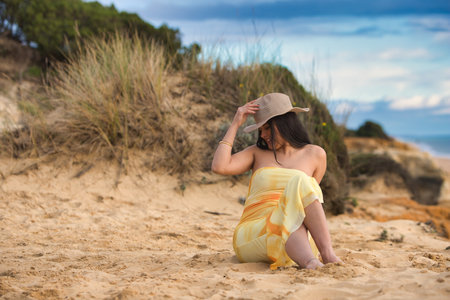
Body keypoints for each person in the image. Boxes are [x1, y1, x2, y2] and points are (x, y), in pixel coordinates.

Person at [211, 93, 341, 270]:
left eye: (267, 128)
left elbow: (307, 203)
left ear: (284, 124)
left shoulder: (316, 154)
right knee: (298, 188)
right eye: (260, 130)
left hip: (294, 239)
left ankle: (325, 256)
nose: (263, 135)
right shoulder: (256, 153)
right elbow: (220, 167)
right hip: (254, 234)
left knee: (300, 187)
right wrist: (235, 123)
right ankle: (314, 261)